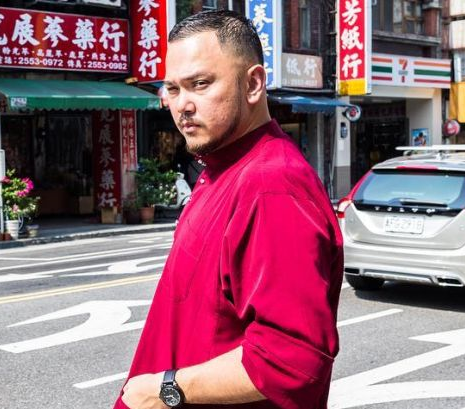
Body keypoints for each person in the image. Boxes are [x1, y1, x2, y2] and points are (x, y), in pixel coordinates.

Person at [115, 10, 343, 409]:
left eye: (200, 84)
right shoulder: (223, 169)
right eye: (172, 89)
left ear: (253, 83)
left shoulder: (272, 185)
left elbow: (291, 360)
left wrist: (165, 389)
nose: (182, 105)